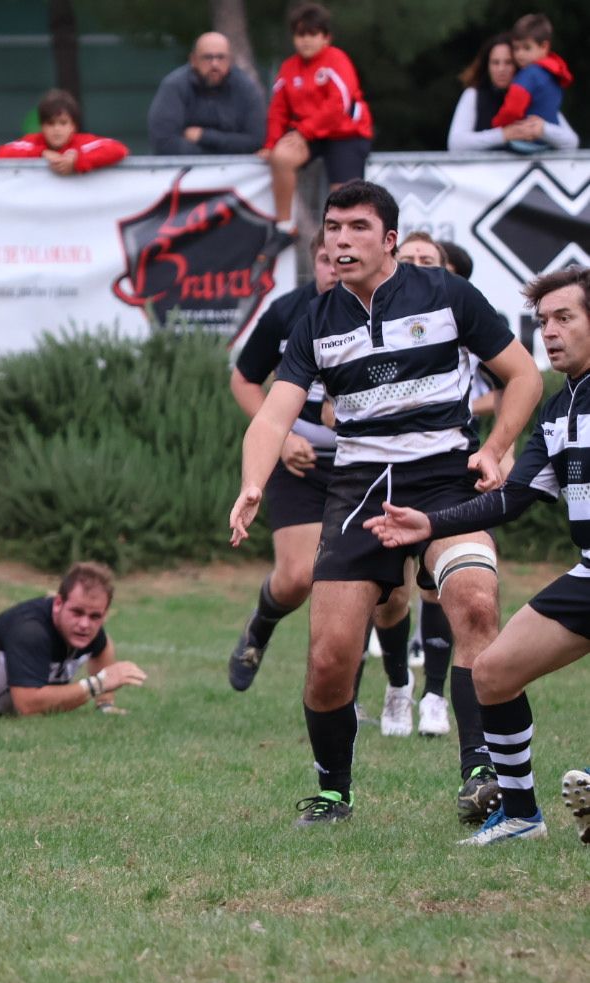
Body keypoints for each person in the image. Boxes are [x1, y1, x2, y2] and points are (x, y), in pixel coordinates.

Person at [229, 180, 543, 828]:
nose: (340, 241)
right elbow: (271, 417)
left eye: (357, 229)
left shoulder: (448, 296)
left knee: (476, 604)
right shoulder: (315, 320)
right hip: (361, 492)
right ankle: (334, 793)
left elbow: (524, 376)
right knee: (328, 660)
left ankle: (481, 771)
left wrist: (497, 447)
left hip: (448, 483)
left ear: (390, 239)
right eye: (333, 229)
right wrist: (253, 482)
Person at [365, 265, 590, 845]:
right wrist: (431, 521)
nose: (551, 332)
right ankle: (521, 816)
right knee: (492, 671)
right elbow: (511, 499)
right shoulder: (560, 411)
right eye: (543, 322)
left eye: (565, 317)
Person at [227, 233, 436, 739]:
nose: (332, 266)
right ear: (314, 263)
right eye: (323, 258)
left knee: (390, 597)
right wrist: (282, 440)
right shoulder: (289, 313)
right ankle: (261, 624)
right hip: (303, 463)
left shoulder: (388, 311)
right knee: (298, 576)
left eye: (339, 257)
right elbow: (244, 378)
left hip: (367, 465)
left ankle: (394, 687)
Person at [0, 563, 148, 716]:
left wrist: (105, 704)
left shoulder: (87, 631)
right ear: (58, 603)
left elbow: (103, 646)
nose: (85, 624)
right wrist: (98, 684)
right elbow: (27, 705)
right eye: (77, 612)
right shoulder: (30, 631)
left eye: (95, 616)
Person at [261, 3, 372, 229]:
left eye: (312, 34)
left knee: (345, 198)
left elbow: (338, 105)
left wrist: (303, 131)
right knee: (280, 157)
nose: (306, 40)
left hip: (345, 134)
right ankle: (284, 226)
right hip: (310, 135)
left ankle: (346, 234)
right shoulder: (289, 67)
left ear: (326, 37)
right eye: (300, 34)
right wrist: (271, 143)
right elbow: (278, 110)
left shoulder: (337, 60)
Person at [447, 34, 579, 153]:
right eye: (495, 63)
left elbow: (571, 142)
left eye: (508, 62)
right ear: (487, 66)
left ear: (518, 65)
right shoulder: (474, 95)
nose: (501, 69)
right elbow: (456, 143)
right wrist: (504, 135)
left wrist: (543, 130)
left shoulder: (535, 95)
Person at [146, 32, 264, 155]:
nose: (215, 64)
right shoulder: (174, 86)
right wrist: (214, 155)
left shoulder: (246, 87)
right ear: (193, 60)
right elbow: (164, 142)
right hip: (184, 169)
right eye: (207, 57)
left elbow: (255, 141)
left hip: (238, 170)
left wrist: (204, 136)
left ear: (230, 60)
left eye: (221, 57)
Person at [0, 89, 128, 175]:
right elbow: (1, 153)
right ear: (42, 126)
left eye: (63, 123)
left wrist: (77, 159)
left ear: (73, 126)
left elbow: (118, 148)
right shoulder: (34, 141)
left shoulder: (82, 142)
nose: (56, 129)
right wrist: (41, 153)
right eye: (50, 123)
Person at [506, 13, 574, 152]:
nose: (519, 54)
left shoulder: (529, 74)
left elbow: (512, 109)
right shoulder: (554, 73)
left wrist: (500, 126)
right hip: (550, 144)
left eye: (526, 48)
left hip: (526, 141)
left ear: (544, 46)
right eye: (516, 48)